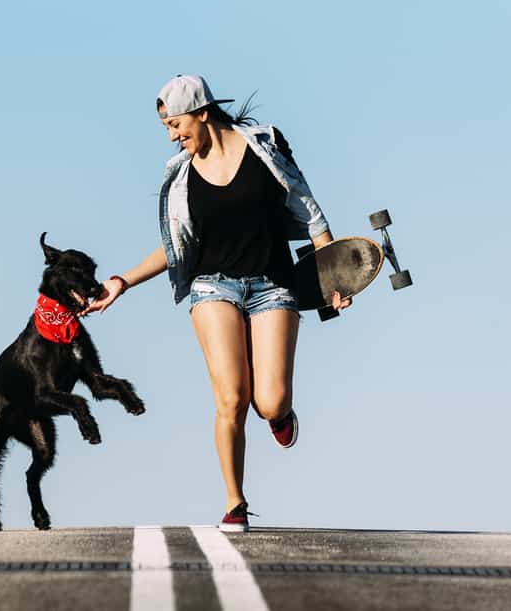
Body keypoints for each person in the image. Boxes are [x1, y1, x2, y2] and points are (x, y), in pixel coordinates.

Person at [81, 74, 351, 533]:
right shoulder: (182, 175)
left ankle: (280, 416)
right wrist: (122, 281)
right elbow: (175, 246)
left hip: (272, 286)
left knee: (269, 400)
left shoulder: (265, 147)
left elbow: (312, 217)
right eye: (167, 128)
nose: (173, 135)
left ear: (203, 113)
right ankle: (235, 501)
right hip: (213, 288)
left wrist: (334, 278)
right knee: (232, 397)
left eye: (177, 124)